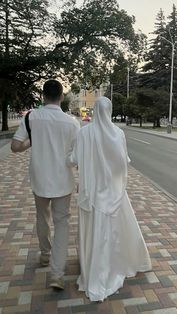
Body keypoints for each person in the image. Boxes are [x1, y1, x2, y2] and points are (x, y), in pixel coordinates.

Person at [67, 96, 151, 302]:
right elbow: (125, 161)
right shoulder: (118, 133)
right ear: (111, 111)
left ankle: (95, 268)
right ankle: (118, 262)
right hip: (114, 192)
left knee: (96, 231)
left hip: (93, 193)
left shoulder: (84, 133)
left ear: (94, 110)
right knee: (116, 230)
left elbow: (73, 160)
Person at [11, 79, 80, 290]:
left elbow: (15, 146)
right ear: (61, 97)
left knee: (42, 217)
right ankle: (57, 273)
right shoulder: (72, 123)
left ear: (43, 96)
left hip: (39, 179)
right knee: (62, 223)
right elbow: (76, 156)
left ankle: (44, 254)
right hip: (63, 180)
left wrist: (33, 140)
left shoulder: (32, 117)